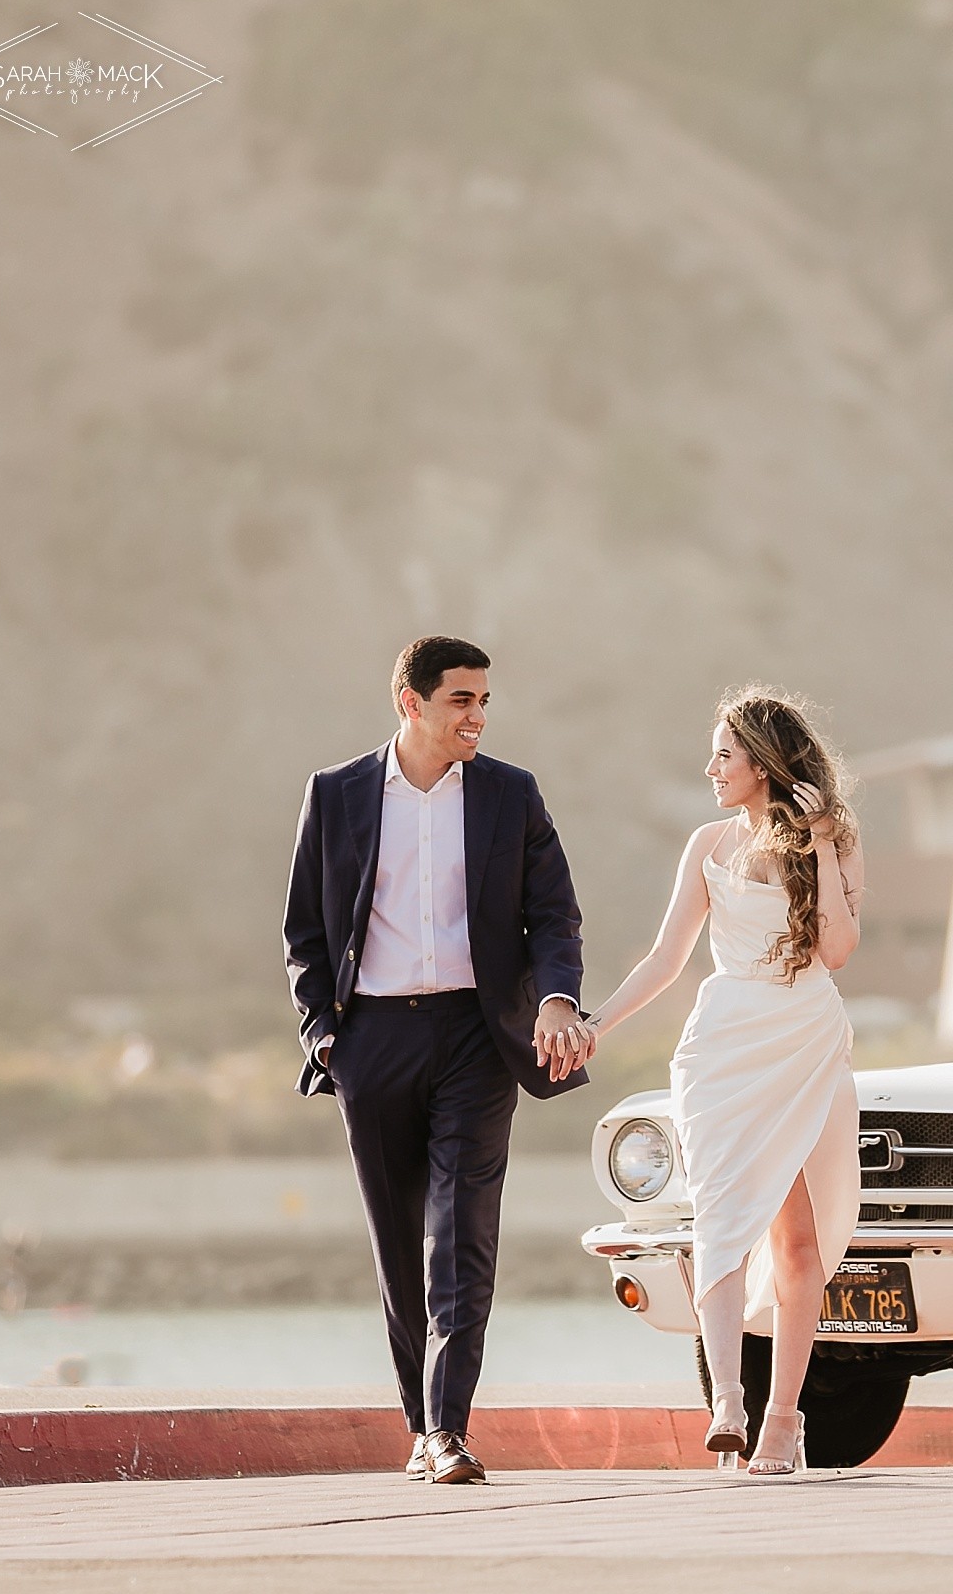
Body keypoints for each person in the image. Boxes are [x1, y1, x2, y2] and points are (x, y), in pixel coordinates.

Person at [282, 636, 594, 1485]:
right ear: (411, 703)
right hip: (370, 1040)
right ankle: (421, 1426)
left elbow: (554, 916)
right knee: (397, 1244)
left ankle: (449, 1427)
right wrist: (325, 1038)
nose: (479, 716)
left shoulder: (510, 794)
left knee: (461, 1235)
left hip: (476, 1037)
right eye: (461, 699)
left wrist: (559, 999)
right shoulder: (337, 793)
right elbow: (305, 935)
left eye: (484, 700)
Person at [562, 687, 862, 1477]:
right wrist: (596, 1023)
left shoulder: (830, 840)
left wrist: (826, 843)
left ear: (762, 766)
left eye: (724, 754)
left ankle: (783, 1421)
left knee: (798, 1241)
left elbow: (835, 951)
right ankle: (726, 1399)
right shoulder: (707, 844)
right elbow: (665, 959)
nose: (711, 767)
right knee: (721, 1220)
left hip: (803, 1038)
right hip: (723, 1045)